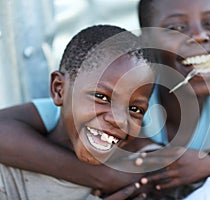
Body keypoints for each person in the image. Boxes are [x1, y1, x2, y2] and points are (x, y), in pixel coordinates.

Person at [0, 0, 210, 198]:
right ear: (146, 44)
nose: (199, 36)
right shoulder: (119, 83)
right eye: (177, 28)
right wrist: (104, 176)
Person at [0, 24, 158, 200]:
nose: (120, 120)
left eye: (134, 109)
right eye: (102, 97)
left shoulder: (138, 185)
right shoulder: (8, 178)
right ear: (59, 89)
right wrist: (103, 176)